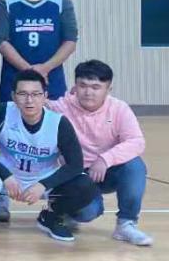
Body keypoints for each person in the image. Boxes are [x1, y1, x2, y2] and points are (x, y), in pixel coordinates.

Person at [0, 69, 100, 241]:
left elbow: (75, 165)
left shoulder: (59, 123)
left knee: (85, 185)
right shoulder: (2, 112)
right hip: (4, 178)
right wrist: (5, 175)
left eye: (35, 94)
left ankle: (52, 216)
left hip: (42, 181)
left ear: (45, 96)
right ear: (13, 96)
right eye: (23, 94)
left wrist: (44, 184)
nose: (29, 100)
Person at [49, 60, 151, 245]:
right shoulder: (61, 108)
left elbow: (136, 141)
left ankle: (126, 224)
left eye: (96, 87)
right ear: (75, 86)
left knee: (135, 166)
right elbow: (33, 107)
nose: (88, 92)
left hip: (106, 171)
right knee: (88, 212)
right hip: (75, 174)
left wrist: (105, 159)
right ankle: (65, 209)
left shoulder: (119, 109)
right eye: (83, 85)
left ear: (108, 89)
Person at [0, 0, 78, 102]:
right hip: (14, 78)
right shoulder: (5, 4)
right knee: (11, 115)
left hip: (51, 78)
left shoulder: (62, 3)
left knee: (54, 115)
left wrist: (44, 68)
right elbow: (0, 41)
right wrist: (29, 70)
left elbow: (70, 41)